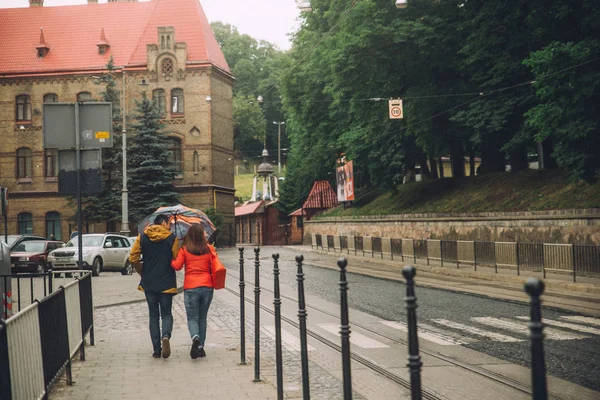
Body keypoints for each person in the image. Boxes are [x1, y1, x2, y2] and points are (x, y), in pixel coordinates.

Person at [129, 215, 180, 359]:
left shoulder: (142, 237)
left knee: (153, 316)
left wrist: (142, 272)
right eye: (169, 223)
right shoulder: (172, 238)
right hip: (166, 282)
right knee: (166, 314)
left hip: (149, 282)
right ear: (163, 222)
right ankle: (166, 336)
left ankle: (156, 349)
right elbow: (176, 258)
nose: (169, 226)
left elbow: (133, 257)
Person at [171, 224, 218, 359]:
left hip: (191, 288)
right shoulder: (209, 249)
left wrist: (172, 256)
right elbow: (215, 264)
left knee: (192, 318)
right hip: (207, 287)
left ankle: (195, 338)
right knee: (202, 318)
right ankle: (200, 347)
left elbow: (177, 266)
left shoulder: (185, 250)